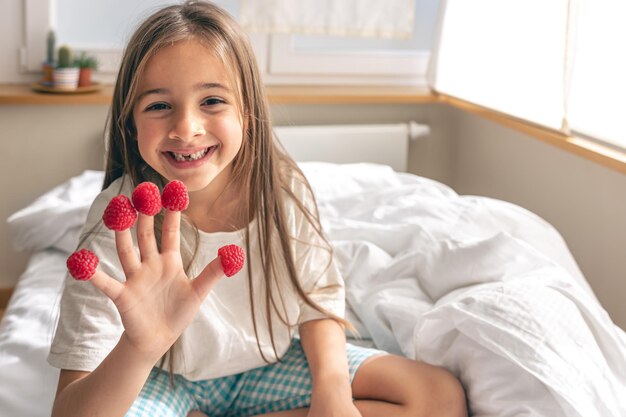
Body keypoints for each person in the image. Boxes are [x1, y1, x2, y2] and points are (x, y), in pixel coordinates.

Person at [48, 2, 467, 416]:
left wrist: (333, 393)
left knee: (437, 396)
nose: (187, 128)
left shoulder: (282, 191)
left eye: (211, 100)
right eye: (159, 106)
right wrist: (139, 349)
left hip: (267, 366)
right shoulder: (117, 222)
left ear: (246, 112)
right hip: (162, 378)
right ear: (130, 124)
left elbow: (317, 301)